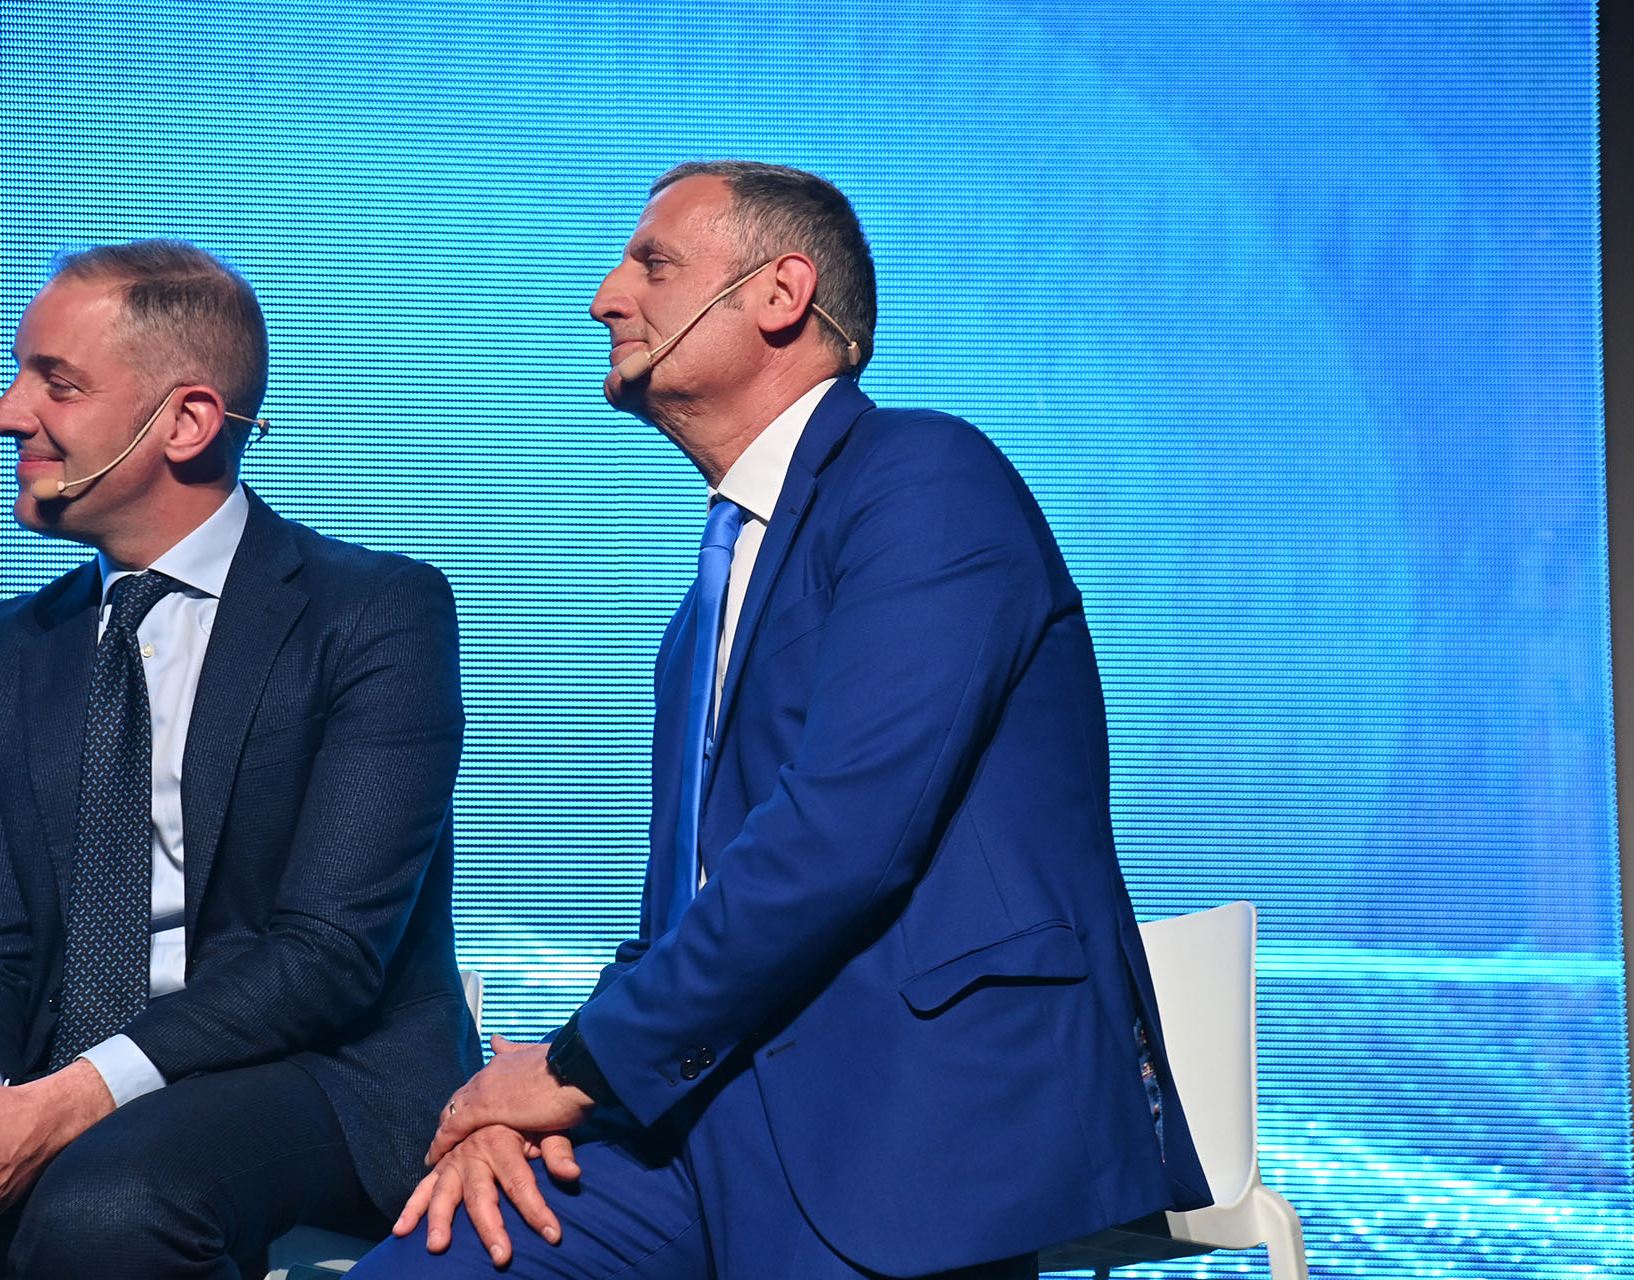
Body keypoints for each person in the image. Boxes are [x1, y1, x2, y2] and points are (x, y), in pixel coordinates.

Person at [359, 162, 1214, 1280]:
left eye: (654, 264)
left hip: (901, 1129)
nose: (606, 298)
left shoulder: (926, 477)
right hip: (687, 1122)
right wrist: (524, 1100)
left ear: (780, 293)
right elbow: (683, 907)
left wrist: (568, 1070)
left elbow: (841, 838)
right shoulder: (701, 610)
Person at [0, 239, 480, 1278]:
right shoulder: (3, 649)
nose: (7, 414)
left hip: (317, 1070)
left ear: (187, 422)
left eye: (57, 383)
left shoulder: (376, 613)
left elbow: (327, 956)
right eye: (18, 374)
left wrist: (58, 1106)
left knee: (104, 1206)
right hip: (47, 1074)